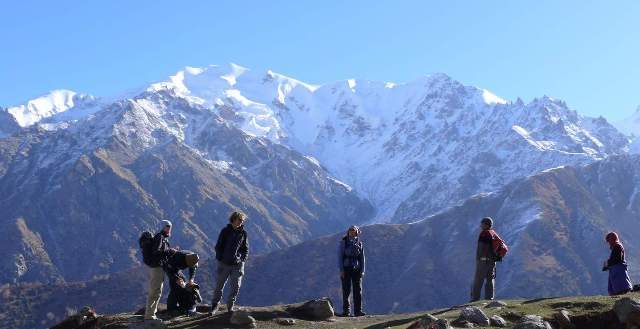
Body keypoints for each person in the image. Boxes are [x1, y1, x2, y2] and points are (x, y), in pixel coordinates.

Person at [210, 211, 249, 315]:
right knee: (219, 286)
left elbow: (245, 249)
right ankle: (214, 306)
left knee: (236, 286)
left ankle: (230, 307)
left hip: (237, 265)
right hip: (224, 264)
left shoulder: (243, 233)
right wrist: (221, 258)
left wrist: (242, 260)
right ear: (233, 219)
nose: (241, 222)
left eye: (242, 220)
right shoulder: (225, 231)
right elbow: (218, 246)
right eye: (239, 220)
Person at [144, 220, 176, 324]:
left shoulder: (163, 238)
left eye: (170, 226)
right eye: (167, 226)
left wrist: (169, 252)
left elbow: (161, 253)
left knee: (157, 291)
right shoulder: (160, 237)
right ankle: (150, 316)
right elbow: (156, 252)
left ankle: (152, 314)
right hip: (157, 267)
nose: (169, 228)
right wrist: (169, 251)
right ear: (162, 227)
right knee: (155, 291)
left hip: (159, 267)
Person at [470, 217, 501, 302]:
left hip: (483, 261)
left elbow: (481, 248)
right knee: (490, 279)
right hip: (493, 261)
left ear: (485, 224)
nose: (480, 225)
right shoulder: (493, 233)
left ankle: (475, 299)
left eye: (482, 224)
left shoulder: (484, 234)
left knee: (478, 280)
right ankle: (489, 298)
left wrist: (479, 259)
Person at [338, 225, 366, 317]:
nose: (351, 231)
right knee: (346, 290)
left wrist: (362, 270)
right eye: (350, 230)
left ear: (357, 232)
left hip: (357, 270)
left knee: (358, 290)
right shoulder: (343, 243)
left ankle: (358, 311)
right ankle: (346, 311)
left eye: (353, 230)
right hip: (346, 269)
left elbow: (362, 258)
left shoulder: (359, 243)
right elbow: (340, 257)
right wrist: (341, 270)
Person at [164, 250, 201, 316]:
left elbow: (193, 270)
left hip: (177, 268)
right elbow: (169, 270)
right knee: (174, 287)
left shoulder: (194, 258)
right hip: (169, 267)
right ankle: (171, 309)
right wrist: (176, 279)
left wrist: (191, 280)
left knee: (185, 285)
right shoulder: (177, 258)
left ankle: (185, 307)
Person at [603, 232, 633, 296]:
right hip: (617, 270)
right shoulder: (616, 246)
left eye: (609, 241)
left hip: (618, 271)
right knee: (619, 286)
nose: (608, 243)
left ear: (612, 239)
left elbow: (617, 259)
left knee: (620, 287)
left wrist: (608, 263)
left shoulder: (617, 246)